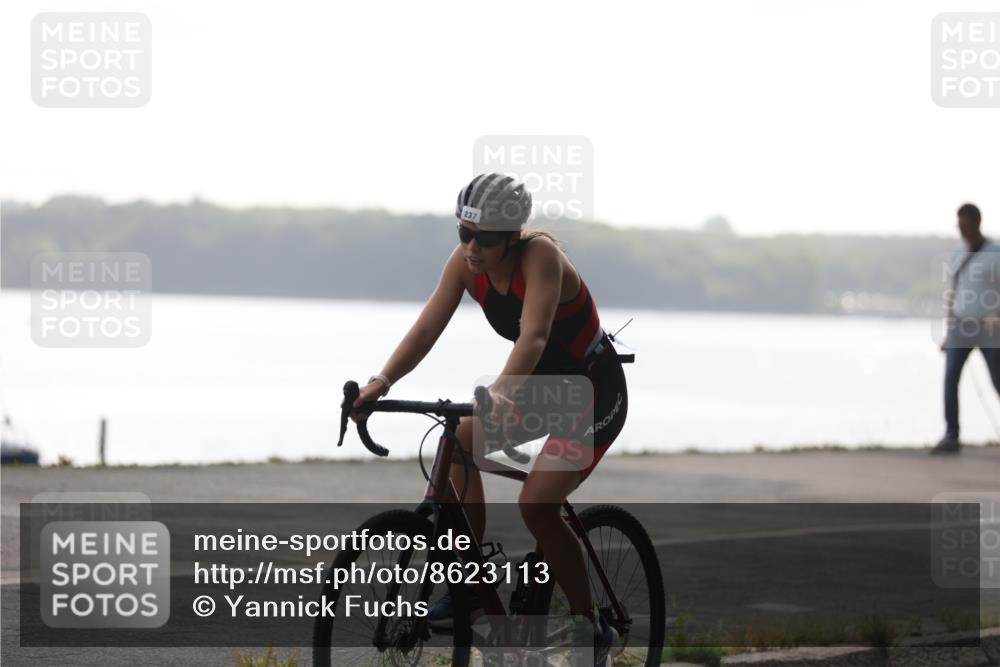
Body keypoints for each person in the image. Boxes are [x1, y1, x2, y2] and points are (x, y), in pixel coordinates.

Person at [349, 173, 628, 663]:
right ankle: (470, 584)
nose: (472, 247)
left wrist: (499, 391)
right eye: (464, 233)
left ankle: (593, 628)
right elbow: (426, 329)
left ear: (513, 236)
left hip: (590, 393)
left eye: (485, 239)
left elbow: (535, 336)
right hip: (542, 391)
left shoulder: (541, 258)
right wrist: (381, 381)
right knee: (457, 440)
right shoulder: (466, 264)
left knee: (537, 504)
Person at [934, 203, 1000, 454]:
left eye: (965, 225)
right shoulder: (957, 252)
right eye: (958, 225)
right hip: (960, 326)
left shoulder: (995, 252)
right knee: (950, 378)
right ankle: (951, 435)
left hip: (989, 328)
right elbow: (954, 290)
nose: (961, 230)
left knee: (998, 380)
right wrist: (949, 325)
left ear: (976, 223)